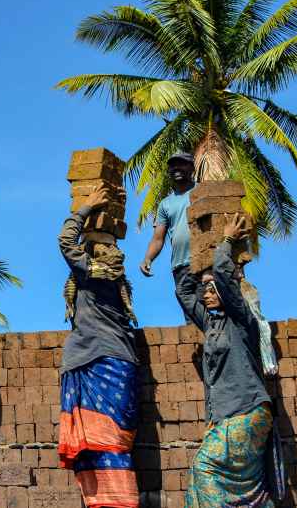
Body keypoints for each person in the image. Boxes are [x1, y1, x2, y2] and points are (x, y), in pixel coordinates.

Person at [175, 214, 274, 507]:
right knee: (197, 490)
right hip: (224, 417)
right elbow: (182, 290)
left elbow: (223, 275)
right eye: (204, 289)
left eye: (211, 288)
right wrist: (194, 247)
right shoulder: (211, 325)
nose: (206, 294)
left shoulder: (241, 320)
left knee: (205, 470)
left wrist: (227, 241)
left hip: (247, 411)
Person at [57, 186, 140, 508]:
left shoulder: (93, 274)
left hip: (97, 363)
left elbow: (65, 242)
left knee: (103, 444)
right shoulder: (116, 279)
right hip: (120, 366)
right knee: (109, 445)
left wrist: (86, 208)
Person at [140, 152, 195, 279]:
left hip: (206, 262)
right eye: (172, 166)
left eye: (181, 164)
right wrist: (148, 258)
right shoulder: (165, 204)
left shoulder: (204, 191)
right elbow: (158, 238)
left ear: (192, 168)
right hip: (180, 267)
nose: (176, 168)